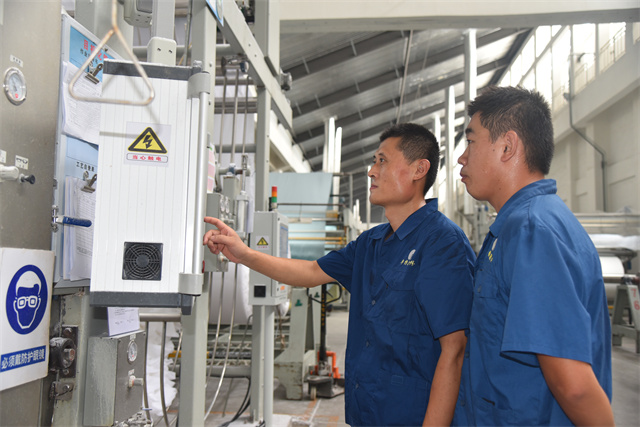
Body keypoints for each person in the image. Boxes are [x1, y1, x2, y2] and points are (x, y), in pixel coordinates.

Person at [204, 123, 475, 426]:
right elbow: (310, 271)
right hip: (367, 409)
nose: (371, 171)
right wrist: (243, 254)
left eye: (382, 161)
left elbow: (455, 348)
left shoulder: (442, 243)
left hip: (411, 414)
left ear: (418, 169)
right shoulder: (370, 243)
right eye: (373, 161)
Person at [457, 85, 614, 425]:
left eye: (470, 141)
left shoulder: (532, 231)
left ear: (507, 146)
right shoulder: (515, 228)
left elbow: (574, 387)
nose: (462, 157)